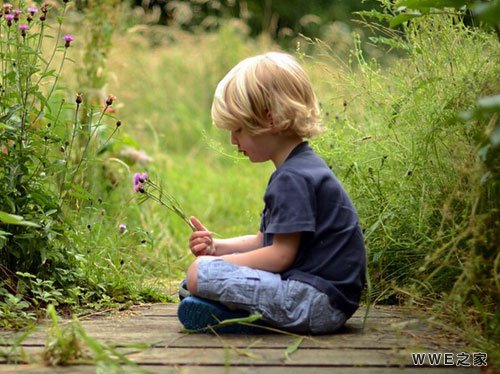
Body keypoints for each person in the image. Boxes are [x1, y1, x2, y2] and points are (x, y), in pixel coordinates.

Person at [177, 52, 366, 334]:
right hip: (325, 300)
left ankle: (240, 319)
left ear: (271, 120)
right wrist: (218, 248)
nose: (232, 140)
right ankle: (225, 311)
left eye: (238, 129)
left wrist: (213, 264)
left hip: (315, 302)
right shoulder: (301, 167)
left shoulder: (292, 178)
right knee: (195, 279)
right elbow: (265, 241)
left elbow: (279, 256)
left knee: (200, 274)